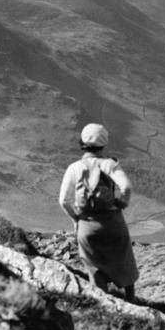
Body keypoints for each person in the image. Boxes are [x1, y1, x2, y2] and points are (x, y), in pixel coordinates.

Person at [58, 123, 139, 300]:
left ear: (82, 143)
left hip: (87, 226)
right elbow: (126, 187)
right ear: (104, 143)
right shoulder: (109, 164)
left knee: (94, 268)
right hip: (114, 223)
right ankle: (132, 302)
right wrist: (121, 204)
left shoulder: (74, 168)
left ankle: (106, 306)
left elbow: (63, 200)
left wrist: (76, 219)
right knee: (124, 263)